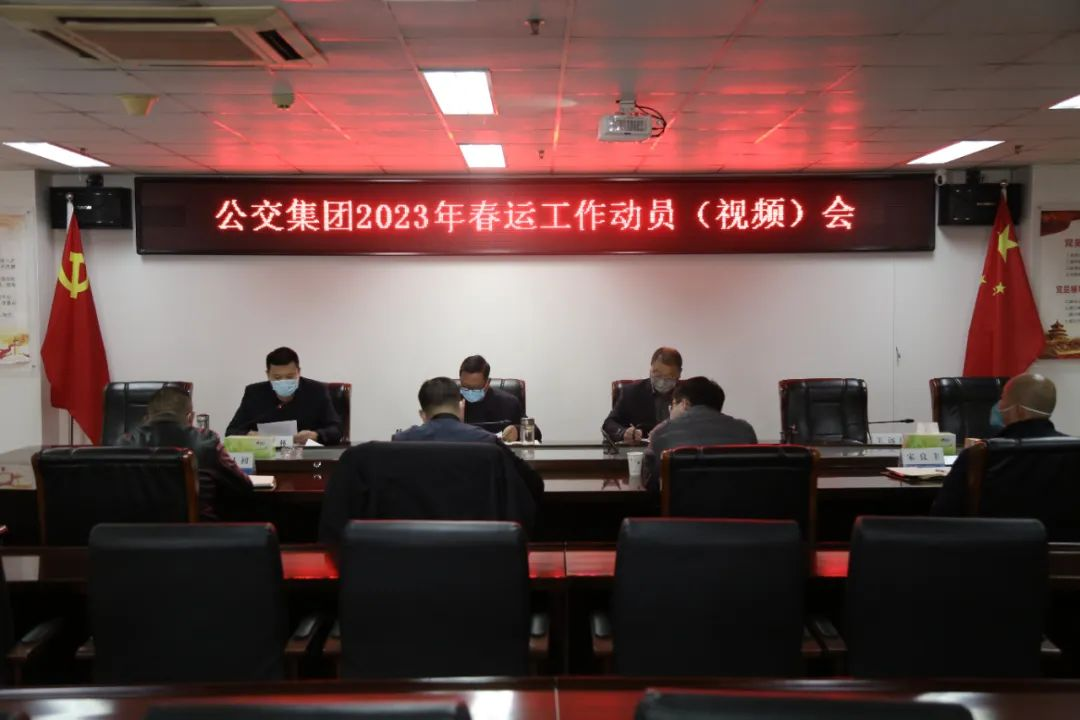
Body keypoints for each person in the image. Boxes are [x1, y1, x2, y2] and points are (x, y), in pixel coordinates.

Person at [394, 376, 544, 505]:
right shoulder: (488, 442)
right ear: (460, 407)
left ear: (422, 414)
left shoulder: (401, 442)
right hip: (481, 526)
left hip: (418, 527)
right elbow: (533, 483)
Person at [932, 373, 1067, 516]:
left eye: (1002, 398)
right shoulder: (1072, 451)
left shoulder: (980, 455)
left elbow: (943, 514)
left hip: (991, 531)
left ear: (1018, 410)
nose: (998, 405)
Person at [119, 387, 252, 521]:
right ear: (190, 417)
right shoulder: (206, 441)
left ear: (147, 417)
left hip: (138, 531)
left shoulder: (127, 443)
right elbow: (243, 485)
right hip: (200, 531)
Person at [643, 376, 758, 491]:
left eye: (672, 405)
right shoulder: (745, 430)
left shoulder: (662, 433)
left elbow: (650, 483)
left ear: (684, 404)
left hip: (683, 502)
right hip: (738, 501)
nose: (671, 411)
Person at [225, 346, 342, 445]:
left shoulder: (317, 391)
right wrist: (248, 435)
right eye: (277, 377)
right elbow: (231, 432)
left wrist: (316, 435)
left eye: (290, 376)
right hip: (266, 457)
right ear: (268, 375)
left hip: (305, 456)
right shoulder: (254, 393)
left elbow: (337, 430)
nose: (284, 381)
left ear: (299, 372)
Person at [602, 346, 683, 445]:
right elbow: (609, 423)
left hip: (678, 450)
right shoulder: (631, 392)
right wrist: (624, 433)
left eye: (669, 377)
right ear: (650, 368)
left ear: (679, 374)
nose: (662, 381)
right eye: (657, 374)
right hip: (642, 451)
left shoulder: (689, 395)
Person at [459, 354, 542, 442]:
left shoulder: (508, 403)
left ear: (487, 383)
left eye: (475, 388)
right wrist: (456, 422)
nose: (470, 391)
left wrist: (517, 431)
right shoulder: (453, 401)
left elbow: (537, 433)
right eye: (465, 387)